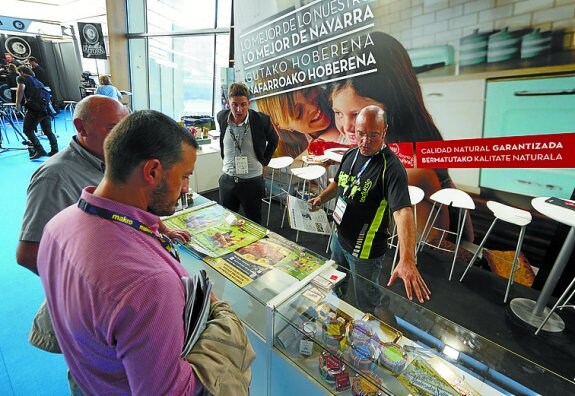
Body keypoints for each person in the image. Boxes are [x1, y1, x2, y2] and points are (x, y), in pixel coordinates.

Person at [37, 110, 252, 394]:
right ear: (152, 171)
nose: (185, 188)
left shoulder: (57, 225)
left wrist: (150, 229)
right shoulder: (149, 285)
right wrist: (219, 313)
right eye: (184, 176)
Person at [16, 95, 190, 355]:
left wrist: (161, 229)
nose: (122, 136)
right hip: (92, 316)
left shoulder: (115, 161)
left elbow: (127, 211)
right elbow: (29, 254)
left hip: (126, 304)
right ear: (81, 127)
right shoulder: (54, 177)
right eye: (112, 128)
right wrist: (92, 288)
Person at [329, 31, 473, 243]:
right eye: (338, 113)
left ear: (394, 104)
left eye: (359, 114)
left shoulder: (412, 161)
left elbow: (432, 242)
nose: (346, 128)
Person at [309, 106, 431, 310]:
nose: (365, 141)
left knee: (366, 300)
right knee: (335, 281)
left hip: (364, 251)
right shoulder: (351, 154)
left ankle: (369, 330)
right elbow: (339, 182)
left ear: (384, 132)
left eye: (373, 135)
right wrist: (321, 198)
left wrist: (408, 258)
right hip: (339, 238)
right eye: (361, 134)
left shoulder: (391, 168)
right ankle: (334, 313)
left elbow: (403, 212)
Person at [255, 63, 346, 159]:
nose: (313, 107)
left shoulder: (345, 101)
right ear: (281, 125)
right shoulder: (283, 154)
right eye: (299, 112)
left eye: (307, 91)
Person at [217, 82, 278, 224]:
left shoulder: (261, 120)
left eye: (243, 104)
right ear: (228, 103)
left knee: (254, 223)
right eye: (235, 105)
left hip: (252, 182)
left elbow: (274, 140)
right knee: (226, 221)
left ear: (248, 103)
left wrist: (264, 162)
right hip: (228, 181)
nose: (239, 109)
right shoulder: (221, 117)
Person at [15, 66, 58, 159]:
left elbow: (20, 89)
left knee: (27, 130)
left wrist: (18, 103)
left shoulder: (21, 78)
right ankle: (55, 150)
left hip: (34, 109)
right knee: (48, 131)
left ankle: (39, 149)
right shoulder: (38, 82)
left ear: (22, 72)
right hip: (45, 108)